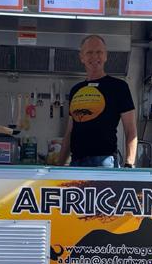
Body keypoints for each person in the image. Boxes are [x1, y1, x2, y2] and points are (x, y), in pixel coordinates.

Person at [57, 34, 137, 168]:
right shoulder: (75, 90)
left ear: (106, 56)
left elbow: (131, 129)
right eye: (89, 52)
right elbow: (69, 132)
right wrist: (58, 167)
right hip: (76, 163)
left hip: (105, 163)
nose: (95, 56)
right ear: (82, 57)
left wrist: (129, 163)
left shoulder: (119, 87)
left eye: (99, 52)